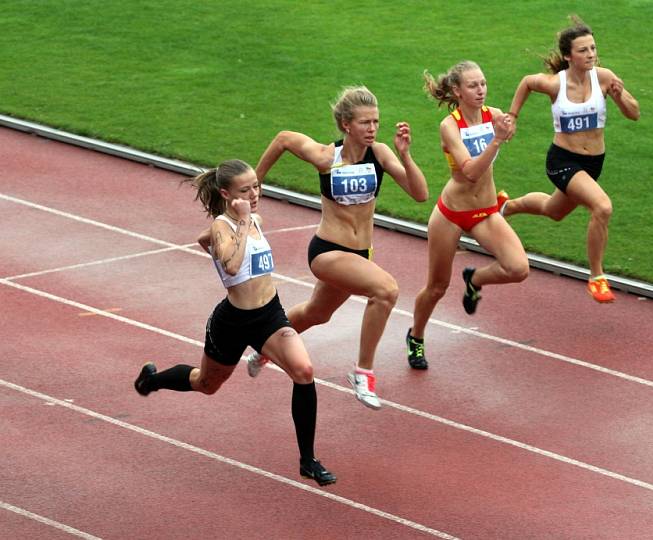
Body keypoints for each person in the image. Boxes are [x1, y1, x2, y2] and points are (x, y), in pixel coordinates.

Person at [133, 159, 336, 486]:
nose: (254, 194)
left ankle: (308, 460)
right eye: (245, 190)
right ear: (227, 194)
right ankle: (152, 380)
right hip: (233, 321)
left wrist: (240, 223)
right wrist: (239, 224)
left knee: (304, 371)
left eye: (256, 186)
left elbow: (209, 242)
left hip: (269, 314)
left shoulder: (253, 219)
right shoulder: (226, 225)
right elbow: (230, 265)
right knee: (206, 385)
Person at [245, 86, 428, 410]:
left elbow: (420, 194)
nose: (372, 129)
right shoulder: (327, 156)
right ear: (346, 125)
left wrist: (405, 156)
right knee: (386, 291)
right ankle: (363, 373)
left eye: (375, 122)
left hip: (360, 254)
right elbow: (284, 139)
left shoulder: (381, 154)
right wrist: (255, 184)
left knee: (317, 313)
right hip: (328, 250)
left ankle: (265, 346)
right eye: (365, 123)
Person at [498, 15, 640, 303]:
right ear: (568, 56)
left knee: (555, 210)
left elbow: (634, 113)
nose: (591, 55)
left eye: (593, 48)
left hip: (593, 164)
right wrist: (512, 116)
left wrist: (620, 95)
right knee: (602, 207)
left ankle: (507, 206)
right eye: (583, 50)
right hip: (562, 161)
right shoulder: (554, 85)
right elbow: (527, 82)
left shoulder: (605, 77)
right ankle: (597, 276)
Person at [406, 60, 529, 370]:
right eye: (473, 85)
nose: (481, 90)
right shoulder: (450, 126)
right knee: (437, 287)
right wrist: (498, 139)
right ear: (457, 91)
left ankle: (475, 279)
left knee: (518, 268)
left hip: (485, 211)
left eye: (483, 83)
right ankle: (416, 337)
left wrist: (507, 126)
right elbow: (471, 172)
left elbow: (512, 119)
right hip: (451, 213)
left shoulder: (494, 115)